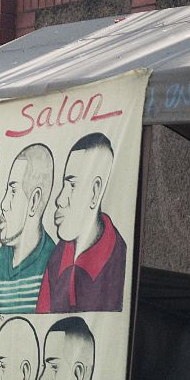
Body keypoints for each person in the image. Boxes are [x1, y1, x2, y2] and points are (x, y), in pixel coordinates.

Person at [36, 133, 127, 313]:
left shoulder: (119, 257)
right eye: (64, 186)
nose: (60, 199)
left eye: (72, 185)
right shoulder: (57, 257)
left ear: (95, 193)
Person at [0, 144, 56, 314]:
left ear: (34, 201)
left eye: (13, 191)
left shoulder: (54, 264)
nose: (3, 204)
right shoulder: (1, 258)